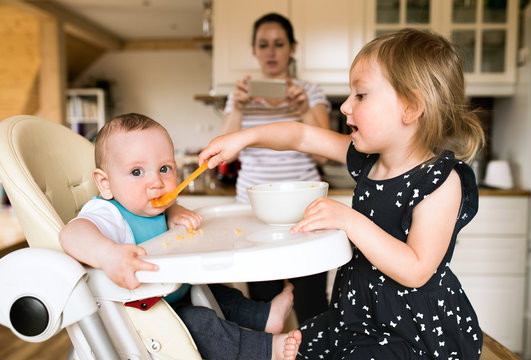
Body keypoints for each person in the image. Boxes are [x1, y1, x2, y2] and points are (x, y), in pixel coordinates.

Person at [199, 28, 485, 359]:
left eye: (361, 95)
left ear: (411, 107)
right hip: (358, 316)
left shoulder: (440, 181)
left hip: (409, 330)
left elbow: (417, 269)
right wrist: (243, 138)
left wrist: (349, 221)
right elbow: (301, 136)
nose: (347, 106)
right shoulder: (368, 161)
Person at [59, 113, 301, 360]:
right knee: (200, 324)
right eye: (136, 172)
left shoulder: (151, 206)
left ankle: (264, 316)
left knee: (218, 290)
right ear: (106, 184)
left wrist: (174, 211)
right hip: (141, 315)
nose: (156, 182)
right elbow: (72, 234)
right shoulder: (108, 213)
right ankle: (266, 349)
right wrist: (107, 254)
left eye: (164, 168)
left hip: (171, 296)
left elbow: (156, 216)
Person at [224, 12, 331, 323]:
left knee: (311, 301)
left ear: (292, 48)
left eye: (279, 44)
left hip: (305, 209)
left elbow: (324, 155)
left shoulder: (309, 92)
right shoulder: (241, 94)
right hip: (253, 210)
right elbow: (227, 154)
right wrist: (239, 107)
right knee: (263, 302)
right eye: (263, 45)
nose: (271, 52)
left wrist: (303, 109)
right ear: (254, 50)